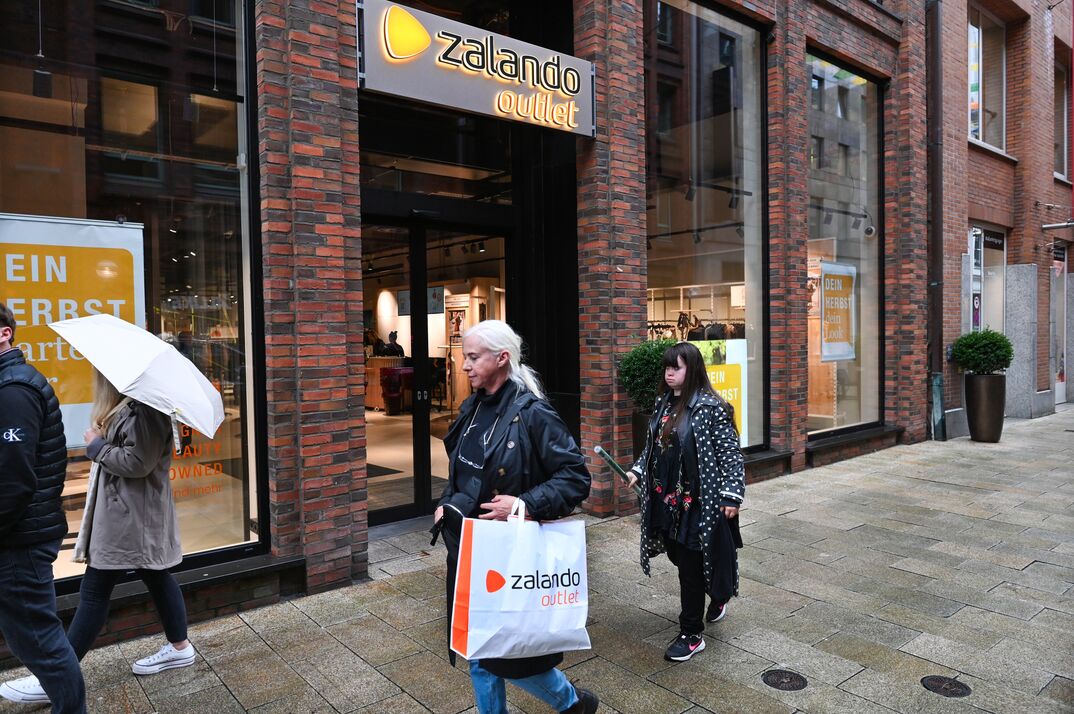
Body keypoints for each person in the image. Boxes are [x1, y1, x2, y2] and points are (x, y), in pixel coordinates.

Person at [432, 320, 599, 714]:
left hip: (508, 554)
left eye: (473, 357)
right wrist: (445, 501)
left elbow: (576, 477)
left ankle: (573, 702)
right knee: (480, 648)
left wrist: (522, 504)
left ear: (501, 358)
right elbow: (463, 471)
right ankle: (573, 704)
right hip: (472, 550)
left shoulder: (534, 412)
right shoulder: (472, 407)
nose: (465, 365)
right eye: (465, 357)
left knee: (501, 654)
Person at [1, 368, 195, 705]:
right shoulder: (131, 407)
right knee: (156, 575)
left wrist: (97, 446)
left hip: (131, 518)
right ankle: (180, 647)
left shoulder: (145, 411)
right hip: (129, 514)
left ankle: (54, 677)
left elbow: (137, 463)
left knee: (94, 590)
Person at [627, 341, 744, 662]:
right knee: (678, 555)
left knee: (690, 568)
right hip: (668, 500)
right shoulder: (663, 403)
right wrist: (638, 469)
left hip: (700, 502)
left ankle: (691, 633)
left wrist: (731, 494)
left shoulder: (711, 407)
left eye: (675, 367)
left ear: (691, 370)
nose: (669, 373)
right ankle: (718, 592)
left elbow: (730, 454)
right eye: (666, 367)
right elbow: (653, 446)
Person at [0, 302, 86, 713]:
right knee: (28, 636)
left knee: (41, 641)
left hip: (20, 539)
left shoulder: (14, 391)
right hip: (21, 533)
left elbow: (13, 481)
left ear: (4, 333)